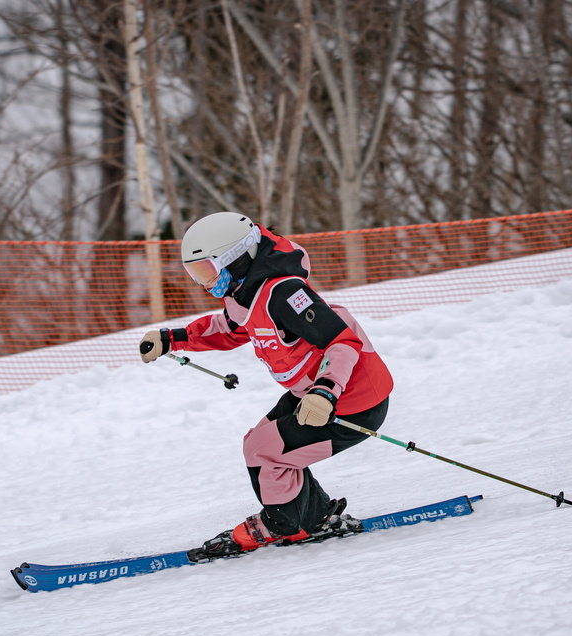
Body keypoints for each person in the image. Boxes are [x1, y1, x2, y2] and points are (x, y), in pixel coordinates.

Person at [140, 211, 394, 560]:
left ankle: (283, 524)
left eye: (207, 270)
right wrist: (173, 339)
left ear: (237, 257)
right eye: (195, 273)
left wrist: (325, 392)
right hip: (314, 393)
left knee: (264, 450)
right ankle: (314, 517)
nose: (203, 282)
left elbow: (342, 342)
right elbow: (230, 329)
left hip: (354, 402)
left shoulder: (284, 293)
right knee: (259, 443)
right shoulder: (246, 292)